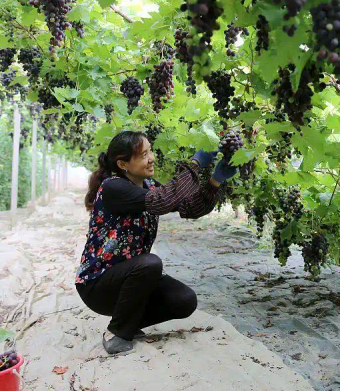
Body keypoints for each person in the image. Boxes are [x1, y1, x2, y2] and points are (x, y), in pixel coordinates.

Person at [75, 130, 237, 355]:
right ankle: (117, 332)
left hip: (132, 280)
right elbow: (162, 201)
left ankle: (128, 322)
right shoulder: (114, 188)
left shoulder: (149, 185)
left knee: (184, 300)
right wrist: (195, 164)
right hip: (98, 285)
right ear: (123, 164)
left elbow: (190, 208)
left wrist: (215, 181)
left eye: (150, 151)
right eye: (143, 155)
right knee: (150, 263)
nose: (151, 158)